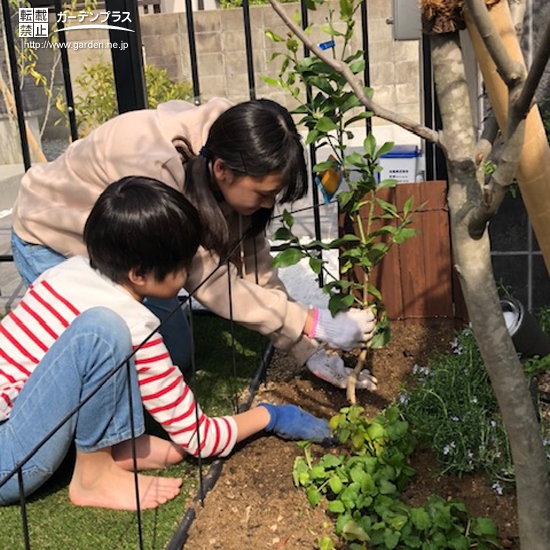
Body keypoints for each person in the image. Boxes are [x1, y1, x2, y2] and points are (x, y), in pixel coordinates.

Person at [0, 177, 332, 510]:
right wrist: (272, 416)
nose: (190, 272)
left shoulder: (68, 270)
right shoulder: (129, 324)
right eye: (183, 263)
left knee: (103, 337)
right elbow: (200, 438)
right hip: (7, 462)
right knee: (102, 332)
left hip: (14, 413)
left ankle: (119, 444)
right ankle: (93, 479)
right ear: (139, 273)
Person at [10, 97, 377, 390]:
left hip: (134, 256)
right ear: (222, 171)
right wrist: (313, 322)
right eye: (264, 195)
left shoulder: (234, 144)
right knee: (113, 363)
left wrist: (307, 348)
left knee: (177, 357)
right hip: (58, 237)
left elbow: (254, 267)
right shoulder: (156, 171)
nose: (269, 205)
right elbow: (208, 280)